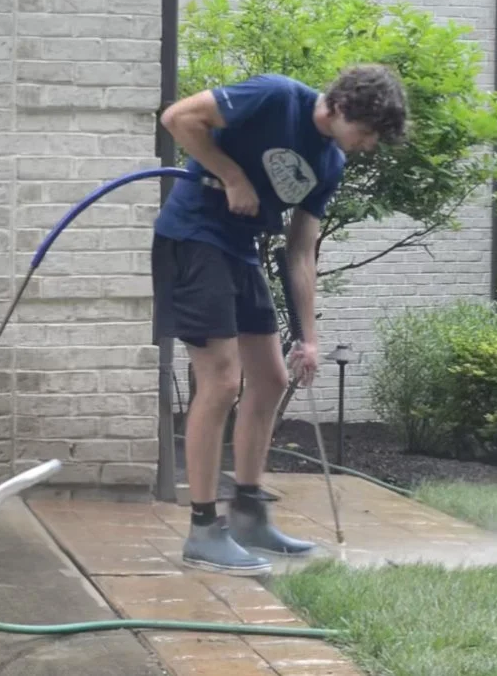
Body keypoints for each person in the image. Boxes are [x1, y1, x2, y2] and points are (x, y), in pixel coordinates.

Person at [152, 64, 408, 575]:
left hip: (240, 250)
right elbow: (178, 118)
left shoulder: (330, 162)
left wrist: (308, 339)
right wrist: (233, 176)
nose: (366, 146)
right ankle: (203, 529)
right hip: (193, 236)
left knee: (270, 378)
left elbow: (301, 251)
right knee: (222, 381)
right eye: (366, 134)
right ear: (340, 108)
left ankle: (248, 513)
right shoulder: (275, 97)